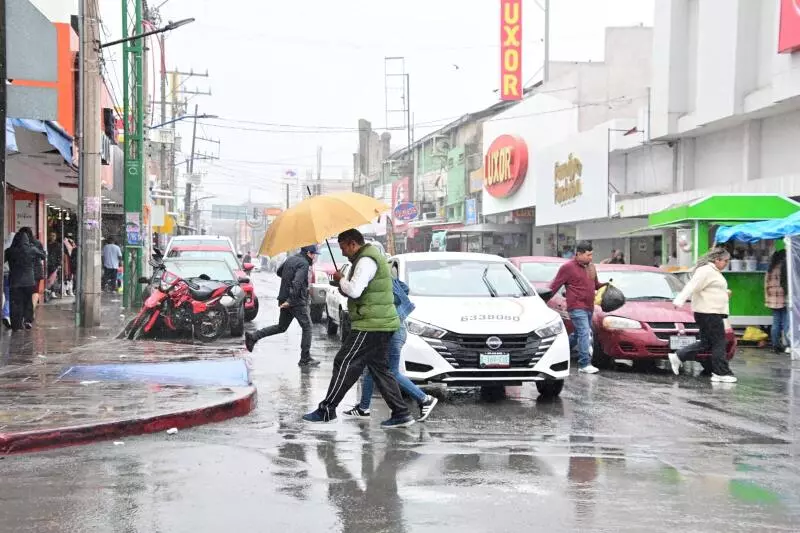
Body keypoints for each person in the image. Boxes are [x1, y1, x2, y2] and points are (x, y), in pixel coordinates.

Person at [303, 229, 414, 428]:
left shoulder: (366, 261)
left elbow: (354, 290)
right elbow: (362, 292)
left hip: (371, 324)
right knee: (380, 369)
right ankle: (401, 413)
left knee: (344, 361)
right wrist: (342, 284)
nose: (343, 253)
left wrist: (341, 280)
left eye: (344, 247)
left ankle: (327, 409)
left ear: (353, 243)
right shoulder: (366, 259)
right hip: (380, 323)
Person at [344, 277, 438, 422]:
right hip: (396, 329)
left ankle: (424, 399)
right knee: (371, 369)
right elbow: (404, 288)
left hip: (392, 331)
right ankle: (363, 408)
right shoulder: (385, 276)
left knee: (390, 373)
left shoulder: (376, 279)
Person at [668, 247, 737, 383]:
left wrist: (724, 293)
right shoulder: (706, 271)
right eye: (725, 261)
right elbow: (691, 286)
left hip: (711, 312)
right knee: (719, 342)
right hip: (709, 312)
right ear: (717, 260)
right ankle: (721, 372)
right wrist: (679, 300)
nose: (726, 264)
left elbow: (708, 289)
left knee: (707, 342)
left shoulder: (713, 272)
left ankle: (679, 356)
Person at [244, 245, 320, 367]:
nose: (315, 257)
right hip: (295, 301)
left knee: (281, 327)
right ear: (309, 253)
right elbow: (297, 283)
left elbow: (279, 272)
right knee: (307, 327)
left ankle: (254, 337)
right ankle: (305, 358)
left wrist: (288, 283)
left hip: (284, 298)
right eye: (314, 254)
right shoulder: (304, 264)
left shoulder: (291, 259)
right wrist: (291, 300)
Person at [549, 240, 605, 374]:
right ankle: (584, 364)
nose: (591, 258)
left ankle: (559, 353)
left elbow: (596, 284)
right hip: (576, 306)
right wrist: (542, 299)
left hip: (589, 306)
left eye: (592, 255)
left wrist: (606, 286)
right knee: (585, 332)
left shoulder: (591, 267)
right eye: (588, 255)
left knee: (578, 334)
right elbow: (554, 285)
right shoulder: (567, 268)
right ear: (578, 254)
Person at [5, 230, 46, 331]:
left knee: (15, 303)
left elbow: (3, 260)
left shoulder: (10, 251)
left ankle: (16, 325)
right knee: (27, 302)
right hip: (29, 281)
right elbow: (43, 256)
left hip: (15, 280)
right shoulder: (32, 249)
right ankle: (27, 320)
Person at [764, 249, 789, 354]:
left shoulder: (770, 268)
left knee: (776, 322)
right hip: (783, 297)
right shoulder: (785, 268)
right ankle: (789, 345)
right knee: (786, 322)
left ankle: (775, 345)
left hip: (772, 299)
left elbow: (765, 284)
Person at [18, 228, 45, 312]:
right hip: (36, 270)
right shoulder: (37, 242)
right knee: (34, 291)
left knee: (26, 292)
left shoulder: (21, 244)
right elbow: (43, 256)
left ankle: (28, 311)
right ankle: (31, 311)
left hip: (26, 271)